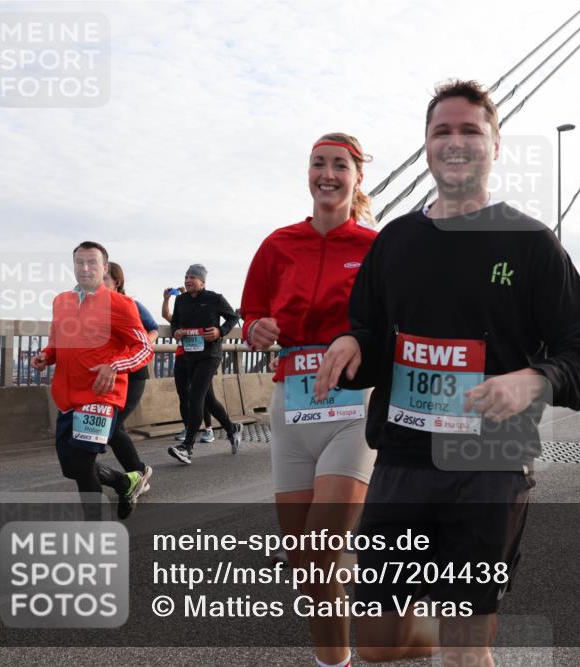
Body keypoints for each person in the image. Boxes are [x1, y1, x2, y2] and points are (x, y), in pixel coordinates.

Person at [313, 80, 580, 664]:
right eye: (442, 130)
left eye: (470, 129)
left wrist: (535, 379)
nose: (456, 141)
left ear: (495, 144)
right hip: (402, 460)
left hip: (489, 463)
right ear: (426, 146)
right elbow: (370, 329)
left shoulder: (532, 244)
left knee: (465, 648)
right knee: (375, 644)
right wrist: (350, 342)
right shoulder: (395, 240)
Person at [241, 132, 378, 667]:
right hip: (290, 407)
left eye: (339, 165)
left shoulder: (374, 247)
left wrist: (359, 340)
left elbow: (393, 322)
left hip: (351, 411)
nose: (328, 173)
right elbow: (250, 312)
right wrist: (256, 327)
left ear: (356, 177)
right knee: (306, 567)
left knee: (321, 546)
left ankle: (395, 619)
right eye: (318, 163)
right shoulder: (279, 245)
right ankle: (335, 662)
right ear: (308, 174)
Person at [31, 242, 153, 520]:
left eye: (92, 263)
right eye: (79, 263)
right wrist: (46, 356)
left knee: (83, 466)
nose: (85, 268)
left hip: (101, 397)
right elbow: (57, 341)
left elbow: (144, 348)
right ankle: (126, 482)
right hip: (67, 396)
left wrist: (114, 366)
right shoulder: (61, 301)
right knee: (70, 468)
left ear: (104, 268)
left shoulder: (121, 304)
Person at [166, 264, 242, 464]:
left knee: (195, 396)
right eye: (186, 276)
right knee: (208, 400)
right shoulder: (181, 300)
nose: (187, 280)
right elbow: (175, 322)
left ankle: (187, 447)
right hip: (189, 355)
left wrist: (220, 331)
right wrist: (176, 331)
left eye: (192, 277)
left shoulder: (214, 298)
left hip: (210, 355)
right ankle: (232, 428)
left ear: (202, 281)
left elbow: (233, 317)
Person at [103, 262, 156, 497]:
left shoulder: (130, 305)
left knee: (111, 427)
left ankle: (138, 473)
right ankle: (136, 473)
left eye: (104, 279)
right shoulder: (93, 309)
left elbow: (153, 328)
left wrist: (143, 345)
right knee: (114, 427)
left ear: (117, 282)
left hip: (132, 374)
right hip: (110, 375)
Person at [163, 288, 217, 444]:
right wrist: (167, 299)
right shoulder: (179, 321)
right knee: (184, 395)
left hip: (201, 358)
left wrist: (187, 295)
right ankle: (188, 428)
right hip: (182, 357)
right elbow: (167, 316)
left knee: (204, 395)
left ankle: (208, 429)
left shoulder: (199, 316)